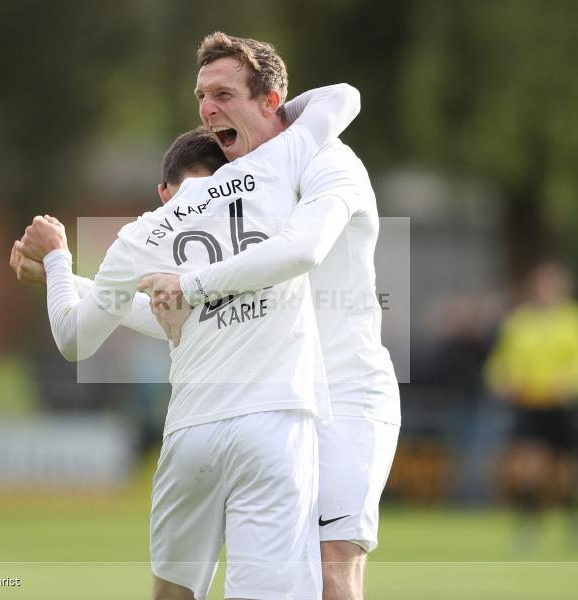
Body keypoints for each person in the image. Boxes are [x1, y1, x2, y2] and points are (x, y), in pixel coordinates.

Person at [18, 83, 360, 599]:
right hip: (273, 423)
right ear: (232, 170)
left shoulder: (143, 233)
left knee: (172, 593)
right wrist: (267, 112)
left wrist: (59, 261)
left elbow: (75, 337)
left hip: (191, 435)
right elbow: (342, 98)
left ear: (165, 190)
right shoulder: (268, 184)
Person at [140, 33, 401, 600]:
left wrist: (191, 284)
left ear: (270, 101)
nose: (208, 110)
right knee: (212, 581)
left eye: (224, 93)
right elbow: (163, 296)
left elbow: (303, 248)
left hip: (348, 395)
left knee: (332, 570)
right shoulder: (233, 189)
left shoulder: (333, 163)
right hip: (274, 401)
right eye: (201, 97)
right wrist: (64, 278)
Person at [485, 261, 578, 550]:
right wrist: (503, 379)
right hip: (532, 404)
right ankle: (529, 525)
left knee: (570, 473)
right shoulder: (520, 322)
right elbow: (502, 361)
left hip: (566, 406)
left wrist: (575, 382)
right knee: (528, 467)